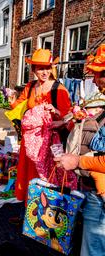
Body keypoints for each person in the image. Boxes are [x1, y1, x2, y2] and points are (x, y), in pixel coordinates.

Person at [54, 44, 105, 256]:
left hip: (100, 193)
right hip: (93, 188)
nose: (94, 80)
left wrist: (78, 161)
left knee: (93, 248)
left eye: (99, 75)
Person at [8, 49, 72, 205]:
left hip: (48, 143)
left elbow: (69, 117)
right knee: (28, 175)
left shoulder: (59, 89)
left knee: (46, 177)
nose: (45, 72)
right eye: (40, 68)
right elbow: (21, 106)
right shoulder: (30, 86)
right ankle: (29, 210)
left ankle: (44, 213)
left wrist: (56, 112)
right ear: (34, 69)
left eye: (47, 67)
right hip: (29, 143)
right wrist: (12, 101)